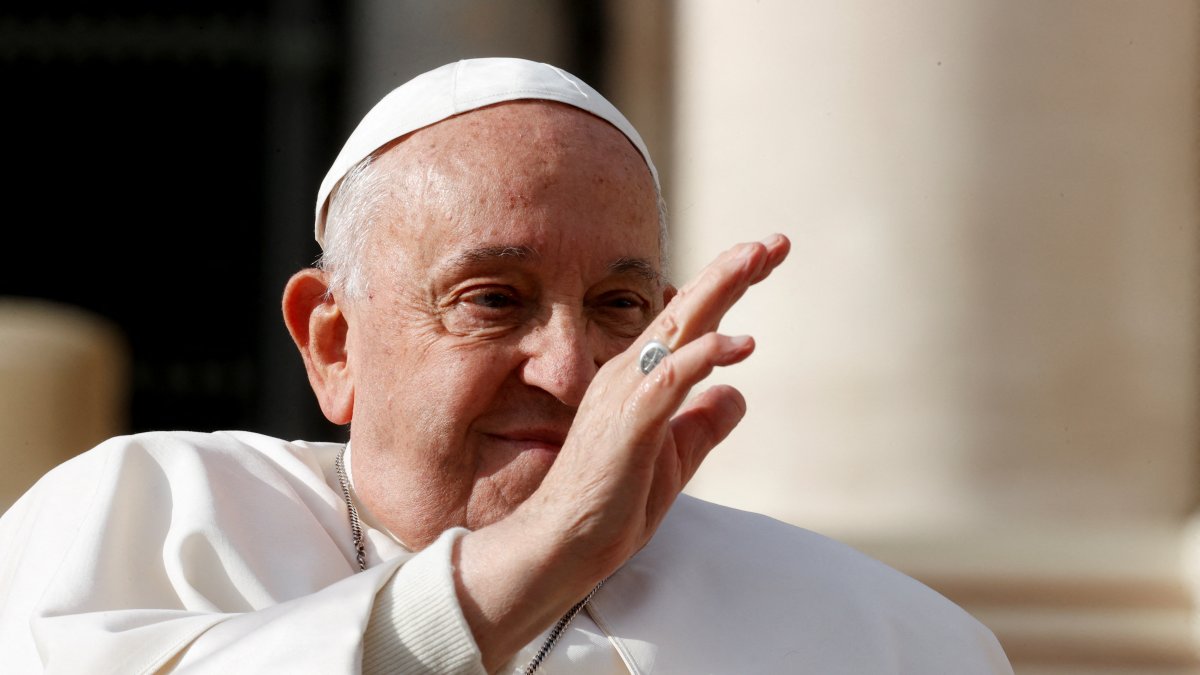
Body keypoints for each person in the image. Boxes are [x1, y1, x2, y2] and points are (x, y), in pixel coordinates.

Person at [0, 58, 1012, 674]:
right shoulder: (145, 515)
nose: (570, 373)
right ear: (332, 341)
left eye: (620, 309)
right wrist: (523, 569)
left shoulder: (877, 636)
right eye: (493, 299)